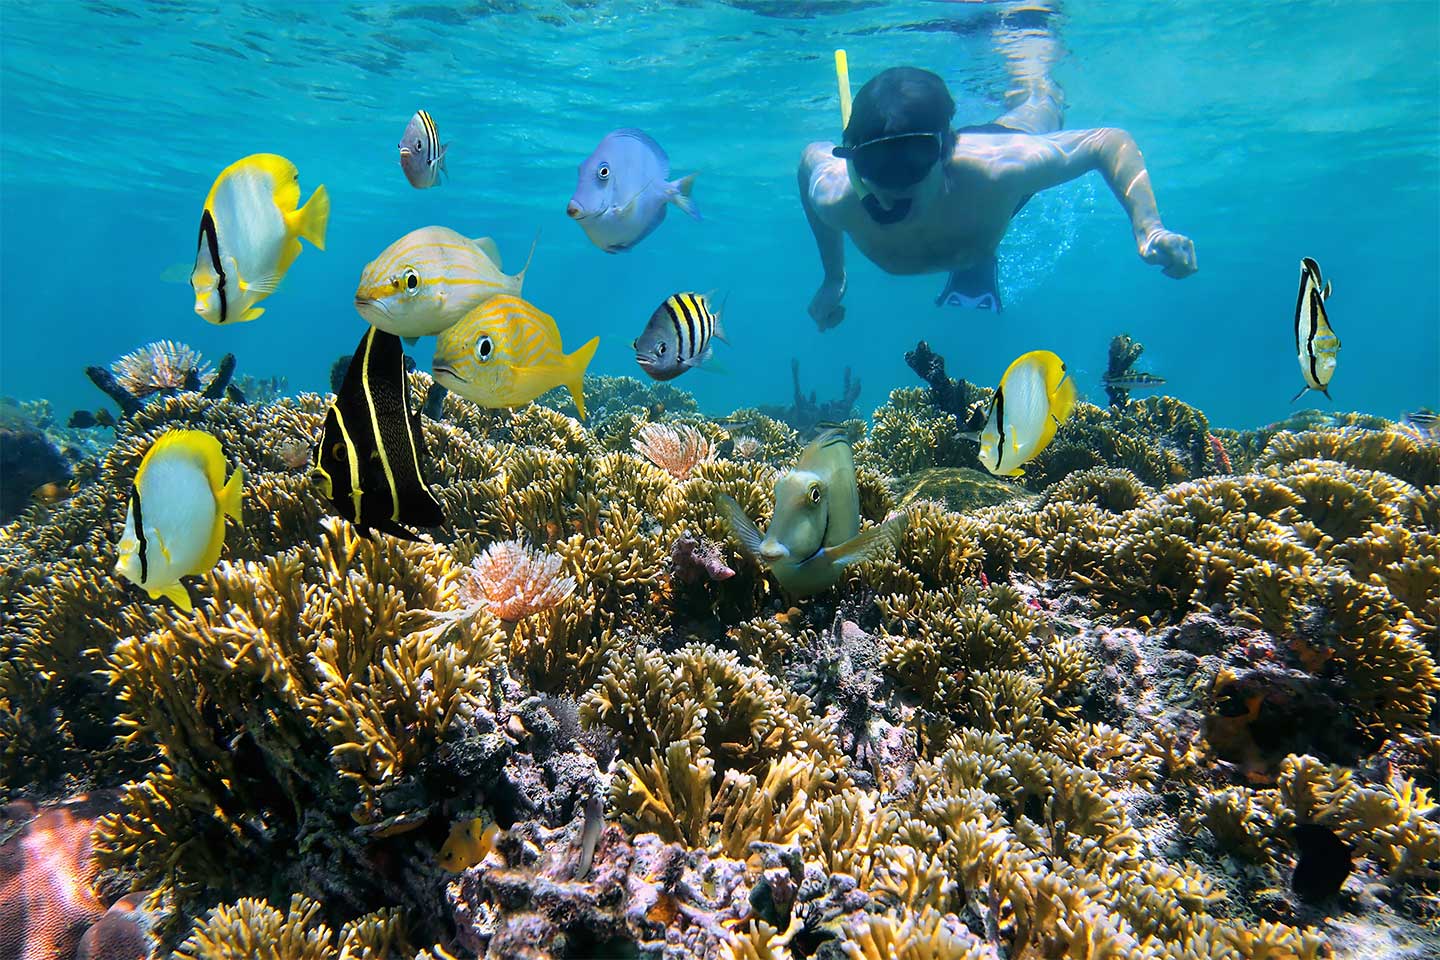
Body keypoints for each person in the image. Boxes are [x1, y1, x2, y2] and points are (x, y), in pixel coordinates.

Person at [799, 15, 1196, 327]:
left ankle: (1027, 48)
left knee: (1041, 101)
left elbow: (1107, 141)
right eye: (875, 166)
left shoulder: (1001, 170)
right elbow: (809, 161)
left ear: (943, 149)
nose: (895, 183)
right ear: (853, 159)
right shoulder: (837, 198)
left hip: (992, 158)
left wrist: (1149, 228)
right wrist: (834, 277)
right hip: (968, 201)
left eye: (914, 160)